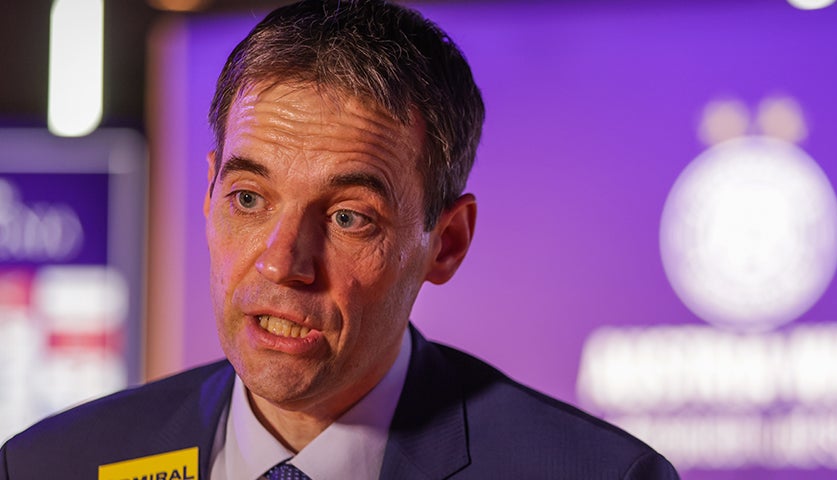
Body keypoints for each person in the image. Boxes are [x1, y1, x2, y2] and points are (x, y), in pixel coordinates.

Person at [0, 1, 678, 478]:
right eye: (248, 198)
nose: (281, 262)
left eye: (349, 217)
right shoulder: (50, 467)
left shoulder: (601, 474)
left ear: (446, 243)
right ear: (208, 196)